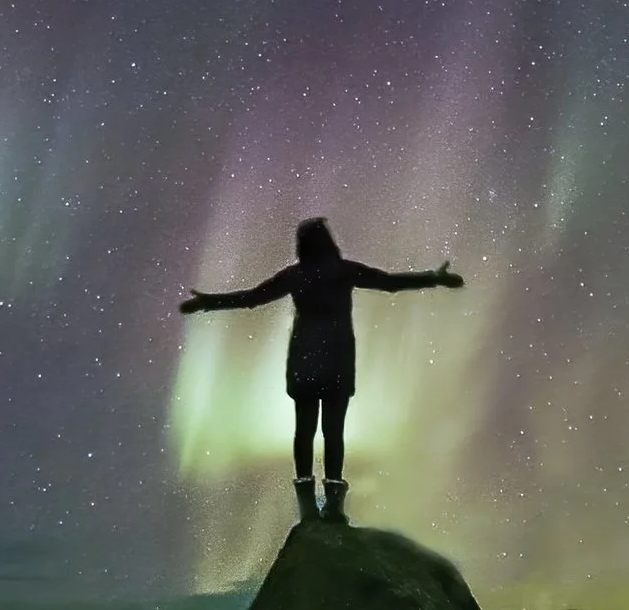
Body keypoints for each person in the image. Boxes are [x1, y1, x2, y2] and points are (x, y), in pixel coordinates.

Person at [180, 215, 463, 514]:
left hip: (304, 360)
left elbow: (251, 299)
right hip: (337, 359)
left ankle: (306, 505)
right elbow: (390, 283)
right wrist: (434, 278)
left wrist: (208, 302)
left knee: (304, 430)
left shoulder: (295, 276)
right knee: (333, 431)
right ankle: (333, 504)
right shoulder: (343, 271)